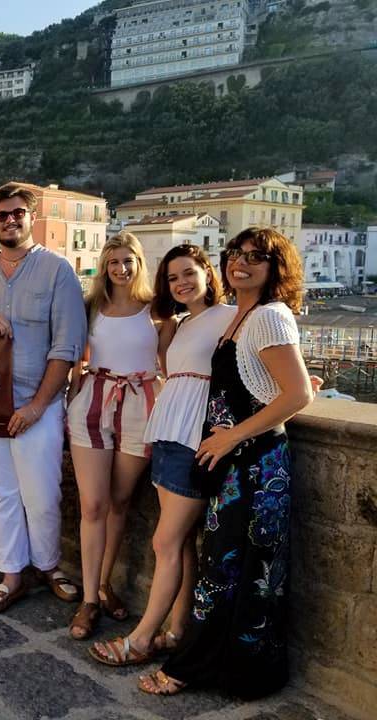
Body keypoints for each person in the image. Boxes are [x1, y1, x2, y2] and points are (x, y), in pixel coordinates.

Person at [141, 228, 313, 697]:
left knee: (233, 572)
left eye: (257, 257)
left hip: (256, 465)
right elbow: (275, 381)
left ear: (275, 268)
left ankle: (191, 669)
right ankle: (227, 669)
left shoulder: (269, 316)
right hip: (240, 464)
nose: (242, 262)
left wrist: (231, 436)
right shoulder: (243, 315)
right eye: (236, 253)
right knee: (233, 569)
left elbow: (297, 394)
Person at [89, 244, 234, 665]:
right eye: (173, 278)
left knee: (165, 540)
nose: (182, 283)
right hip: (168, 431)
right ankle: (177, 629)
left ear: (208, 272)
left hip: (195, 438)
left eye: (189, 272)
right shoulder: (184, 323)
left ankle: (141, 638)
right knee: (183, 541)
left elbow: (255, 367)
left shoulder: (230, 318)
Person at [0, 183, 87, 614]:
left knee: (42, 493)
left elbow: (66, 347)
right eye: (2, 215)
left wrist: (35, 407)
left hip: (38, 405)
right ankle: (12, 574)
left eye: (17, 214)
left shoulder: (58, 271)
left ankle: (48, 565)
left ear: (31, 217)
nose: (10, 220)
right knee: (0, 493)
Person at [65, 233, 174, 639]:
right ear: (104, 266)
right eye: (113, 262)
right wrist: (72, 397)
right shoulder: (91, 306)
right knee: (92, 504)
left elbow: (176, 364)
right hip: (95, 402)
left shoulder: (157, 310)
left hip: (141, 405)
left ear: (140, 263)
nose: (121, 269)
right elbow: (75, 358)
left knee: (120, 502)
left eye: (128, 261)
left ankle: (103, 584)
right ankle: (89, 600)